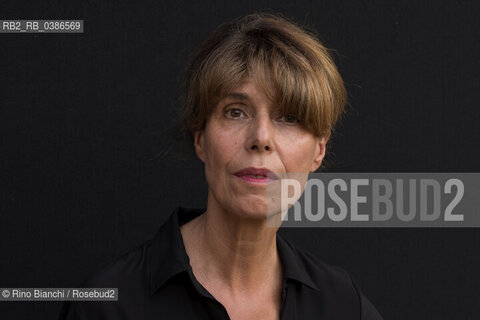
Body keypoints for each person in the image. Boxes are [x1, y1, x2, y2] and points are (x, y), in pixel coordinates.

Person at [58, 11, 383, 320]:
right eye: (235, 112)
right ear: (200, 137)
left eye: (289, 117)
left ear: (319, 150)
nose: (261, 138)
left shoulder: (342, 305)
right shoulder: (109, 306)